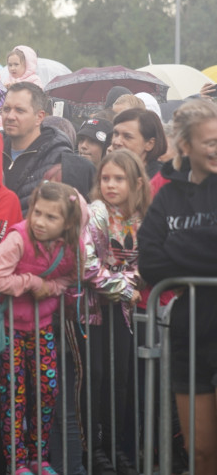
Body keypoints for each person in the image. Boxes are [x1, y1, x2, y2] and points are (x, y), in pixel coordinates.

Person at [138, 99, 217, 475]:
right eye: (209, 141)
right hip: (189, 333)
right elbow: (149, 262)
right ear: (185, 145)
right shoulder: (166, 194)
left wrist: (179, 246)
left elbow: (166, 252)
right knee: (199, 452)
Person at [0, 182, 81, 475]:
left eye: (51, 217)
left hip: (43, 328)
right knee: (14, 396)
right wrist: (32, 283)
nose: (40, 221)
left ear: (67, 223)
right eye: (37, 212)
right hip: (11, 329)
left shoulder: (70, 246)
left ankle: (40, 457)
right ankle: (17, 463)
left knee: (48, 391)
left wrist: (51, 287)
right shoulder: (19, 238)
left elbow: (71, 278)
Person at [80, 149, 151, 475]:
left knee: (119, 378)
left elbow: (146, 263)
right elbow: (87, 264)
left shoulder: (141, 218)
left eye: (119, 179)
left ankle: (113, 446)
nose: (110, 184)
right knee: (94, 377)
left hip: (122, 313)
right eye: (105, 178)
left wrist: (127, 284)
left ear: (136, 183)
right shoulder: (95, 212)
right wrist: (122, 288)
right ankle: (91, 449)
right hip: (91, 312)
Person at [1, 83, 73, 212]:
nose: (10, 116)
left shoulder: (57, 157)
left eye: (19, 110)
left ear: (39, 117)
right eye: (6, 109)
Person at [110, 107, 167, 178]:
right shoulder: (109, 173)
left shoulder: (160, 181)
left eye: (127, 136)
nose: (117, 142)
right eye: (116, 134)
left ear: (150, 144)